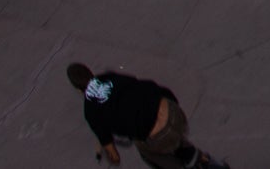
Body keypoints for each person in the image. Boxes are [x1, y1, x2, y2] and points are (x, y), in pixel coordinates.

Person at [65, 63, 228, 169]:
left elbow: (114, 156)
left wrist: (109, 151)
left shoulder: (91, 111)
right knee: (168, 137)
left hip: (159, 135)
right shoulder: (110, 77)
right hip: (173, 109)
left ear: (78, 90)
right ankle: (205, 161)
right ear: (91, 73)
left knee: (148, 151)